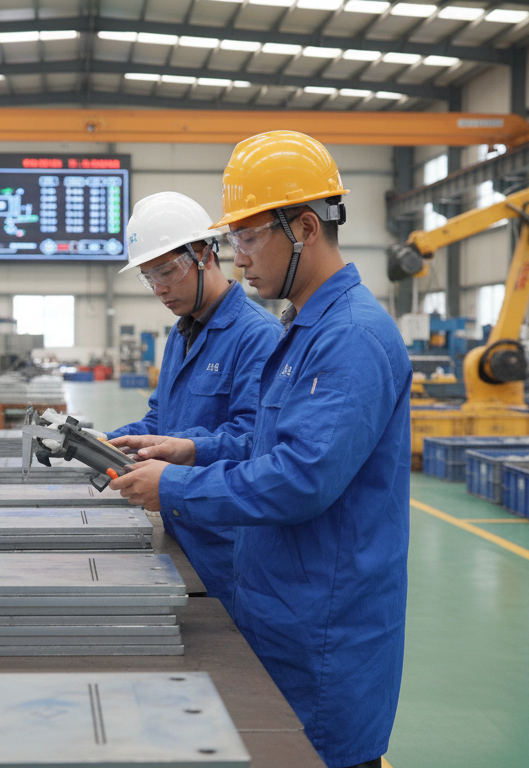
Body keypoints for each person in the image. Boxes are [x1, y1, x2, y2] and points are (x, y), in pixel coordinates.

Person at [109, 132, 410, 768]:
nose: (238, 256)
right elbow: (257, 442)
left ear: (304, 227)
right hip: (278, 601)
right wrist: (186, 452)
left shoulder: (350, 338)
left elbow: (301, 478)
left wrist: (174, 486)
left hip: (322, 627)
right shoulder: (304, 330)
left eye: (248, 237)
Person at [107, 191, 279, 610]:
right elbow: (158, 420)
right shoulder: (181, 334)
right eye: (149, 277)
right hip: (181, 529)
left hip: (228, 543)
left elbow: (255, 440)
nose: (160, 288)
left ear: (206, 254)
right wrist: (102, 442)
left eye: (167, 270)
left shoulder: (258, 335)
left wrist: (190, 449)